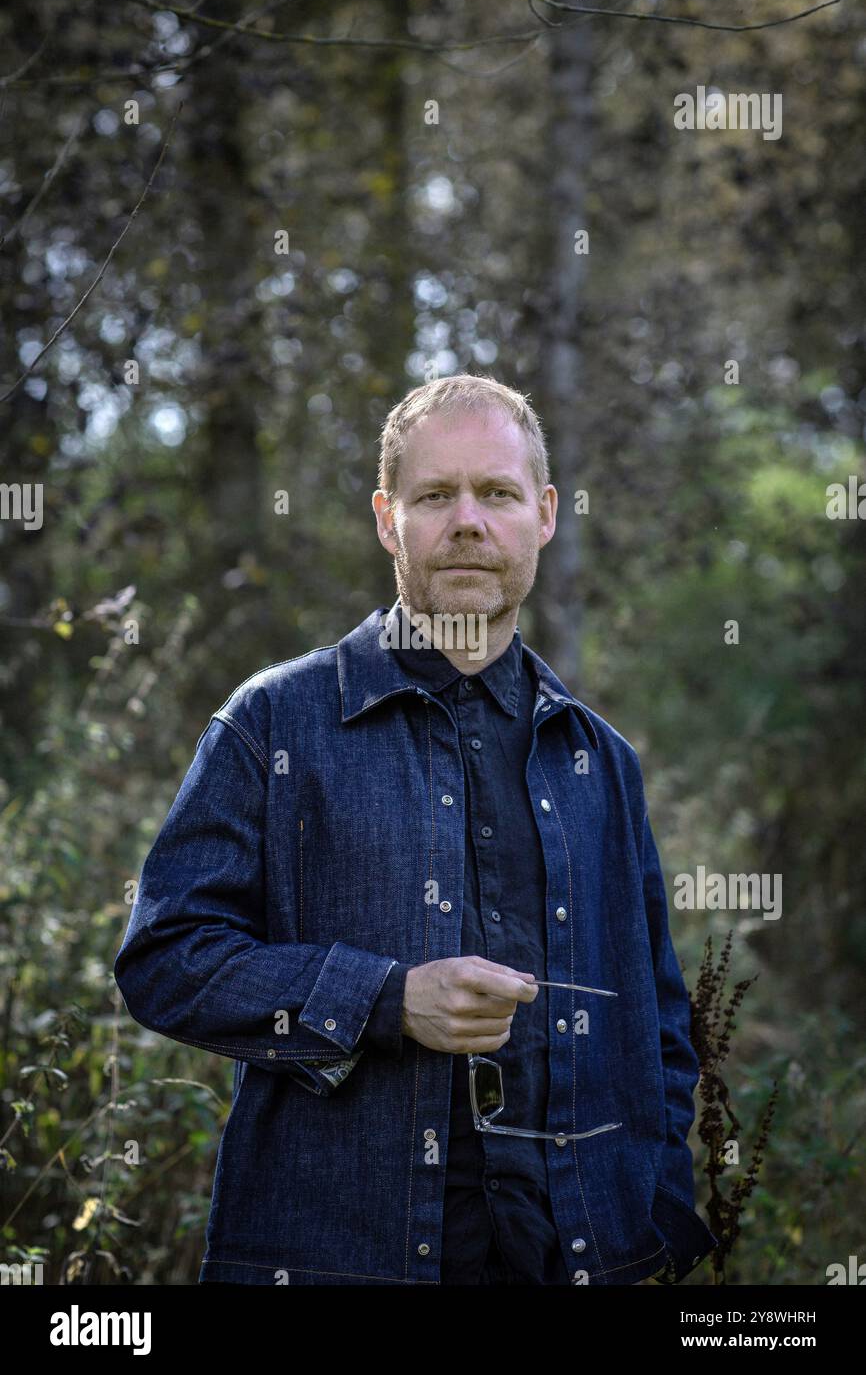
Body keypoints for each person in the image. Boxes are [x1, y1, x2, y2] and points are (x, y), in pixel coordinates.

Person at [114, 373, 718, 1286]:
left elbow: (658, 1027)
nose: (468, 522)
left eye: (498, 493)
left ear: (544, 514)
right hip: (339, 1261)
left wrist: (653, 1213)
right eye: (436, 495)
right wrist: (386, 1000)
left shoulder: (600, 760)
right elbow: (165, 959)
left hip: (579, 1262)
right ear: (387, 518)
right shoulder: (273, 723)